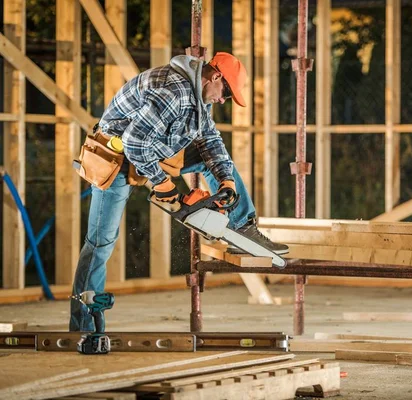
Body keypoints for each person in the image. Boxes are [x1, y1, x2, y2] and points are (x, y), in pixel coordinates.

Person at [70, 52, 288, 332]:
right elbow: (135, 143)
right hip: (117, 160)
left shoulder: (199, 97)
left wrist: (226, 180)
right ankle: (83, 326)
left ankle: (242, 225)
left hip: (155, 149)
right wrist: (162, 184)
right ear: (216, 76)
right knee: (101, 241)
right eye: (226, 93)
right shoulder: (173, 92)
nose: (223, 100)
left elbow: (209, 139)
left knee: (218, 162)